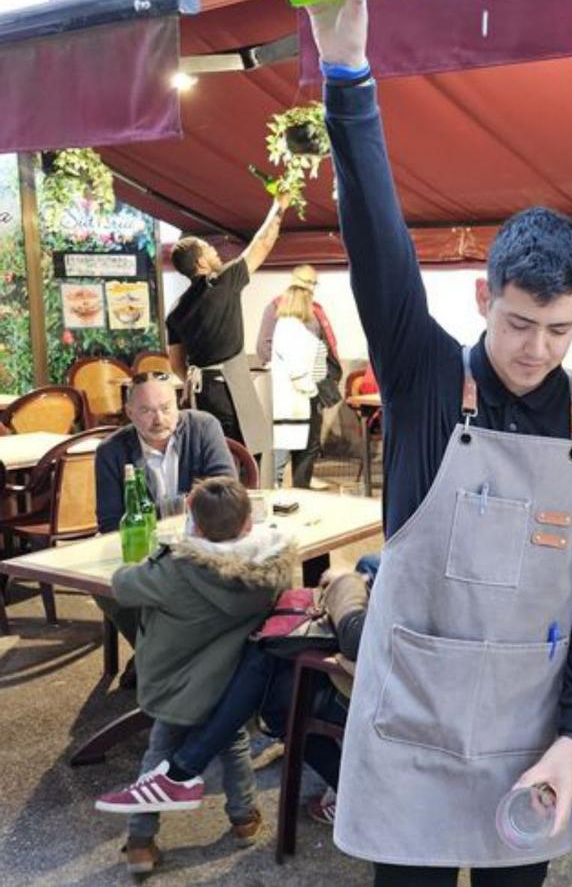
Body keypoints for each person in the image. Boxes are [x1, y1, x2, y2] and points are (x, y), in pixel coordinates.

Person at [309, 0, 572, 886]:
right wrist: (349, 75)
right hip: (409, 731)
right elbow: (377, 235)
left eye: (560, 329)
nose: (536, 349)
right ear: (485, 298)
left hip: (525, 737)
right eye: (519, 323)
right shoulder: (422, 374)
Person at [93, 476, 295, 876]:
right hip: (232, 683)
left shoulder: (175, 570)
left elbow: (122, 586)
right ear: (249, 523)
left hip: (177, 684)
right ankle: (244, 819)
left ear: (195, 525)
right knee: (232, 742)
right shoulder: (270, 568)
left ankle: (140, 842)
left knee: (159, 755)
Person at [94, 567, 368, 828]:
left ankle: (182, 772)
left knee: (270, 668)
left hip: (380, 693)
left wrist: (346, 582)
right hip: (373, 674)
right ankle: (187, 774)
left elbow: (356, 638)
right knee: (273, 675)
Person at [93, 371, 237, 681]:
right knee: (106, 588)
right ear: (130, 413)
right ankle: (158, 652)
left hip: (200, 543)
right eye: (146, 410)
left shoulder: (203, 427)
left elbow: (225, 489)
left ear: (179, 403)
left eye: (166, 407)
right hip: (146, 552)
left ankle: (159, 658)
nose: (159, 418)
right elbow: (108, 522)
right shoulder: (111, 452)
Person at [165, 196, 289, 474]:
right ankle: (243, 511)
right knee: (245, 460)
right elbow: (262, 243)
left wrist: (194, 380)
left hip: (201, 392)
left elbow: (175, 362)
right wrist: (279, 206)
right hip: (231, 386)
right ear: (200, 262)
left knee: (213, 458)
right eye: (210, 249)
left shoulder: (176, 310)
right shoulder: (222, 282)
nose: (216, 252)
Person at [270, 282, 328, 488]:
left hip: (294, 398)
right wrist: (311, 390)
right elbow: (297, 367)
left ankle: (298, 490)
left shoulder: (288, 325)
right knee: (294, 450)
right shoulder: (290, 327)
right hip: (296, 398)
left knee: (295, 449)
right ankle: (297, 492)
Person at [256, 264, 340, 367]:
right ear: (295, 281)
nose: (312, 288)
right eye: (308, 282)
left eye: (314, 283)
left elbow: (327, 346)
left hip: (315, 374)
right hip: (284, 372)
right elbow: (263, 347)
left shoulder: (317, 311)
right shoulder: (275, 308)